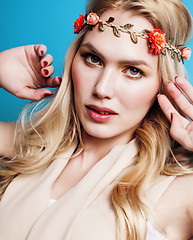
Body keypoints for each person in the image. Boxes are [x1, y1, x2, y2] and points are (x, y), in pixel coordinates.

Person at [0, 0, 193, 239]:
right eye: (93, 59)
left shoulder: (180, 189)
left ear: (164, 85)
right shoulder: (25, 146)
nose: (102, 89)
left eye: (133, 70)